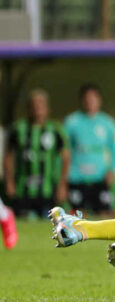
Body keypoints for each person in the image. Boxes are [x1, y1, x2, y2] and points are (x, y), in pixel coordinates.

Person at [3, 88, 69, 219]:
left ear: (47, 108)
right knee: (22, 221)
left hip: (48, 188)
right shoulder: (18, 128)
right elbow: (8, 156)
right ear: (29, 108)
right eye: (34, 105)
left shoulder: (56, 130)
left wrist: (62, 185)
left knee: (49, 225)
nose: (38, 109)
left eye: (41, 105)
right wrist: (9, 181)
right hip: (23, 187)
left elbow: (66, 158)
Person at [64, 83, 115, 215]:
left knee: (104, 213)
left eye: (93, 98)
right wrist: (63, 177)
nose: (90, 102)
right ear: (82, 101)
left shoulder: (107, 123)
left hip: (99, 178)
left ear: (99, 100)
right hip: (76, 177)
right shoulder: (71, 122)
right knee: (76, 215)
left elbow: (114, 150)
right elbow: (65, 151)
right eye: (87, 99)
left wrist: (111, 169)